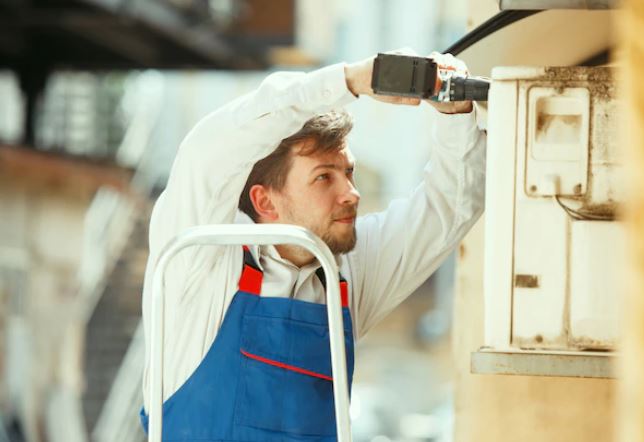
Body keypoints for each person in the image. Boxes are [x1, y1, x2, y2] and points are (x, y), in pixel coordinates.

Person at [139, 50, 485, 441]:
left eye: (348, 173)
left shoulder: (346, 273)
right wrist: (350, 81)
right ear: (265, 201)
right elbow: (208, 150)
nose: (351, 193)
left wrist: (455, 114)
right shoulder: (199, 264)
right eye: (324, 178)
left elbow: (449, 208)